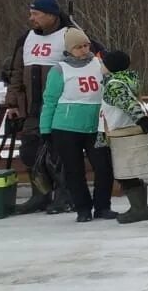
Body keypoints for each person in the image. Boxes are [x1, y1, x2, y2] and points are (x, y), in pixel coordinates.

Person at [3, 0, 74, 212]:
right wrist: (12, 103)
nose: (31, 18)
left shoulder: (69, 35)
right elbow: (15, 72)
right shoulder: (26, 38)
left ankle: (65, 194)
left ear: (51, 15)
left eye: (36, 14)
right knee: (30, 151)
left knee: (59, 150)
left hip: (60, 106)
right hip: (32, 106)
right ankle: (40, 194)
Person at [40, 28, 114, 222]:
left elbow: (111, 86)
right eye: (78, 47)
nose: (83, 50)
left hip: (95, 126)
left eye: (85, 45)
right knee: (74, 171)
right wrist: (45, 130)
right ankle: (82, 208)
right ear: (69, 49)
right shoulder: (59, 70)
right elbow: (49, 101)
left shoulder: (99, 64)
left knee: (104, 167)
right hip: (66, 127)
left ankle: (103, 206)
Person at [101, 49, 148, 224]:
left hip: (122, 132)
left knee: (124, 173)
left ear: (110, 67)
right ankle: (140, 207)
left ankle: (139, 209)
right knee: (129, 172)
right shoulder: (128, 78)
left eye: (103, 63)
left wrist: (141, 118)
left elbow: (127, 102)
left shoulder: (114, 84)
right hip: (127, 130)